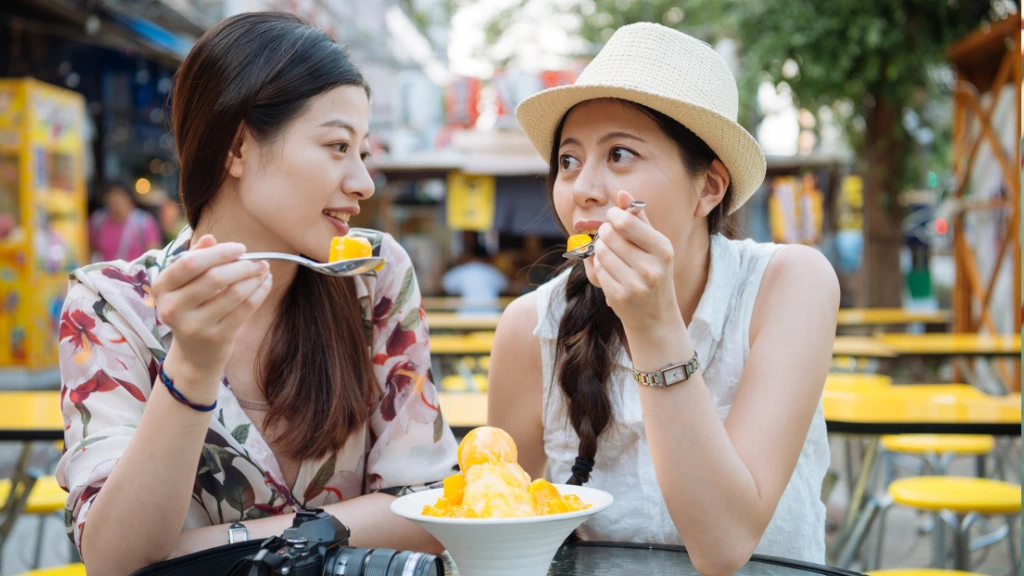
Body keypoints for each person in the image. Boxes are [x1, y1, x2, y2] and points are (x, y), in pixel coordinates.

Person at [56, 13, 457, 575]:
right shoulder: (110, 305)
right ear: (239, 147)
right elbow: (115, 558)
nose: (363, 182)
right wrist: (192, 364)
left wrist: (207, 549)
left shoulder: (371, 274)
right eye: (338, 146)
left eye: (363, 152)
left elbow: (430, 506)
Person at [489, 23, 838, 575]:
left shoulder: (790, 284)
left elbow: (723, 546)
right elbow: (508, 540)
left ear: (709, 188)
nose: (583, 188)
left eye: (621, 154)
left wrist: (652, 326)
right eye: (569, 160)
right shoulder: (529, 327)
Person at [88, 180, 162, 262]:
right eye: (112, 196)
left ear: (129, 198)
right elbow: (90, 250)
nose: (115, 200)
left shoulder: (143, 222)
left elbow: (154, 255)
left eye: (120, 196)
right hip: (103, 273)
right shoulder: (98, 221)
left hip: (135, 274)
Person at [441, 241, 509, 303]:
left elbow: (446, 285)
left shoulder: (461, 271)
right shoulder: (491, 271)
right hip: (491, 313)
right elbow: (505, 286)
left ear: (469, 256)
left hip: (466, 313)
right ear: (486, 258)